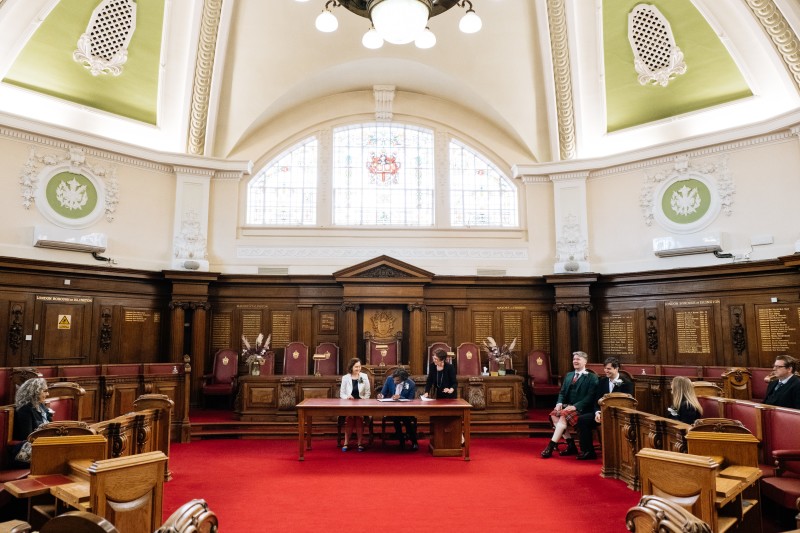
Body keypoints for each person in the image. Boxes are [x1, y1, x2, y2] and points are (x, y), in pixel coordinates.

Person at [541, 351, 598, 458]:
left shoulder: (592, 377)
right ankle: (571, 445)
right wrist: (559, 402)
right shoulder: (569, 375)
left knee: (563, 415)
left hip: (583, 408)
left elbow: (590, 397)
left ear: (585, 361)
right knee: (554, 414)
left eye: (578, 359)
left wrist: (576, 406)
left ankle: (550, 446)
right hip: (568, 405)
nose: (575, 361)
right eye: (574, 359)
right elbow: (562, 392)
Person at [575, 357, 634, 460]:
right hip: (601, 413)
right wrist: (597, 412)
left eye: (609, 369)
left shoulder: (626, 383)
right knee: (582, 420)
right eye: (605, 368)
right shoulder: (602, 381)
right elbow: (597, 399)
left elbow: (626, 403)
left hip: (617, 415)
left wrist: (607, 414)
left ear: (616, 369)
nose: (606, 371)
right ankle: (588, 451)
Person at [11, 377, 53, 466]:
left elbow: (51, 427)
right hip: (29, 450)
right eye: (45, 391)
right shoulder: (25, 410)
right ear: (35, 392)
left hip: (43, 444)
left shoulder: (42, 407)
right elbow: (28, 437)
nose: (48, 394)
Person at [377, 368, 418, 450]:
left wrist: (400, 397)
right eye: (394, 380)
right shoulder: (389, 379)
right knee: (396, 418)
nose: (395, 382)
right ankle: (401, 440)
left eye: (397, 380)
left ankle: (414, 441)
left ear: (403, 379)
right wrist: (381, 395)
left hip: (406, 409)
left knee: (406, 420)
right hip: (393, 408)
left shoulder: (411, 384)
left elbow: (411, 400)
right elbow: (383, 393)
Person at [339, 357, 370, 452]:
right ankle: (346, 443)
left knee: (359, 418)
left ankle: (360, 443)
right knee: (350, 418)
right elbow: (342, 393)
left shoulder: (363, 377)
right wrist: (347, 397)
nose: (358, 369)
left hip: (361, 403)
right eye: (356, 367)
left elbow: (367, 393)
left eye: (359, 366)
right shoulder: (345, 378)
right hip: (349, 403)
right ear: (351, 367)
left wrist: (363, 400)